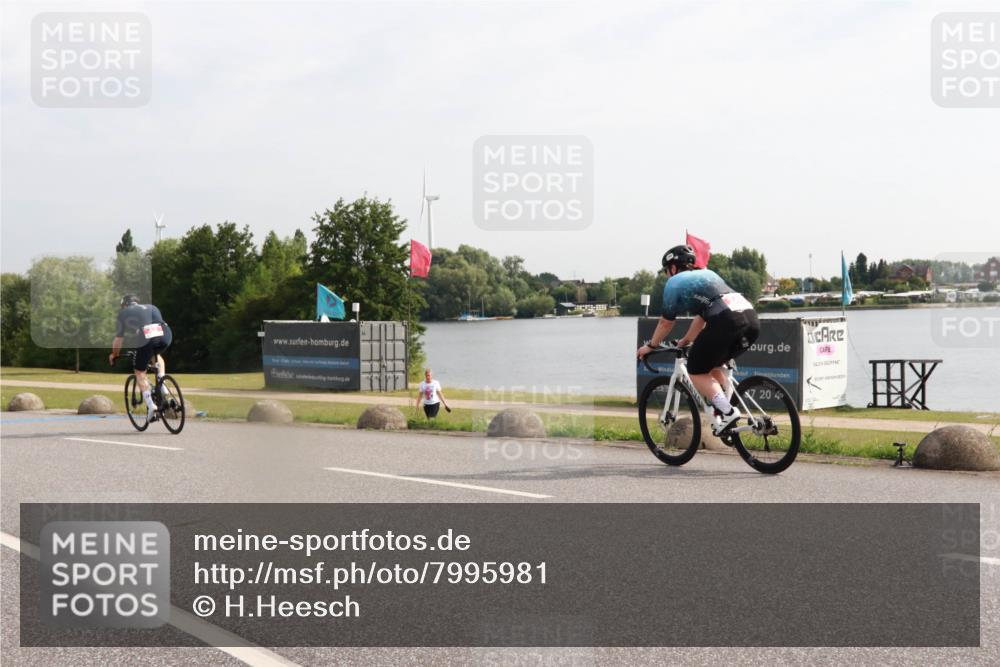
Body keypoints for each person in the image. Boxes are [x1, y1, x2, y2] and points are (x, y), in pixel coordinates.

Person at [636, 244, 760, 435]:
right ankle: (727, 411)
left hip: (726, 321)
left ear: (673, 268)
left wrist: (650, 346)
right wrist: (686, 340)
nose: (667, 275)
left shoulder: (674, 283)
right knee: (713, 365)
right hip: (751, 319)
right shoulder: (709, 274)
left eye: (667, 271)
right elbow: (702, 317)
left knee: (695, 370)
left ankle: (728, 412)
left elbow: (666, 323)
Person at [109, 294, 173, 422]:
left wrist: (114, 354)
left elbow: (118, 339)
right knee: (157, 355)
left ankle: (151, 406)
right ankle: (162, 383)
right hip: (166, 333)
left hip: (148, 335)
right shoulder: (152, 307)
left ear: (125, 305)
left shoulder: (124, 313)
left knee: (139, 372)